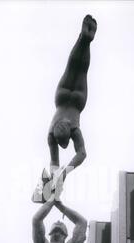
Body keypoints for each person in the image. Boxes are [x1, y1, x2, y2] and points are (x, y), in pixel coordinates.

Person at [47, 15, 97, 187]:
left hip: (78, 101)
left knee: (82, 71)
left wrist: (65, 172)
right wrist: (61, 173)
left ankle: (87, 40)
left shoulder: (74, 130)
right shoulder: (51, 134)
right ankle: (83, 38)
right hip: (61, 97)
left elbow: (82, 154)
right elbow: (56, 163)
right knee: (71, 67)